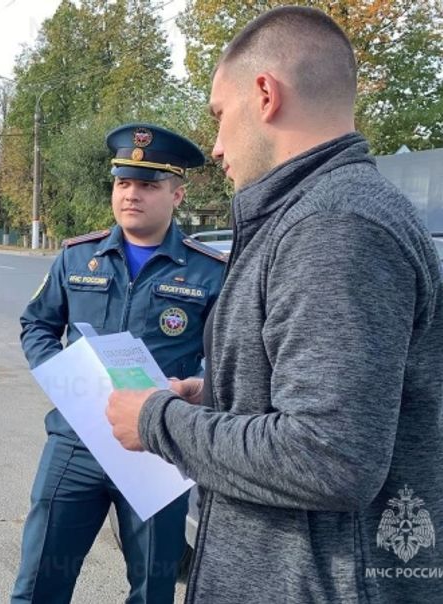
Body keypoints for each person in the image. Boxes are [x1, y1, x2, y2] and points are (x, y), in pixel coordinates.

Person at [106, 7, 443, 603]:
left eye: (218, 115)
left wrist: (159, 423)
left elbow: (331, 455)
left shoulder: (334, 226)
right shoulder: (314, 212)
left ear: (264, 94)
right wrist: (219, 400)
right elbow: (341, 404)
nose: (214, 146)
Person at [13, 123, 226, 603]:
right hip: (76, 442)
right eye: (123, 182)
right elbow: (37, 326)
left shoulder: (208, 272)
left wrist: (191, 388)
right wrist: (66, 380)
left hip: (157, 450)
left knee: (152, 590)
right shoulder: (76, 258)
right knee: (38, 583)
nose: (132, 195)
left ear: (177, 194)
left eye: (148, 185)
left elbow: (228, 363)